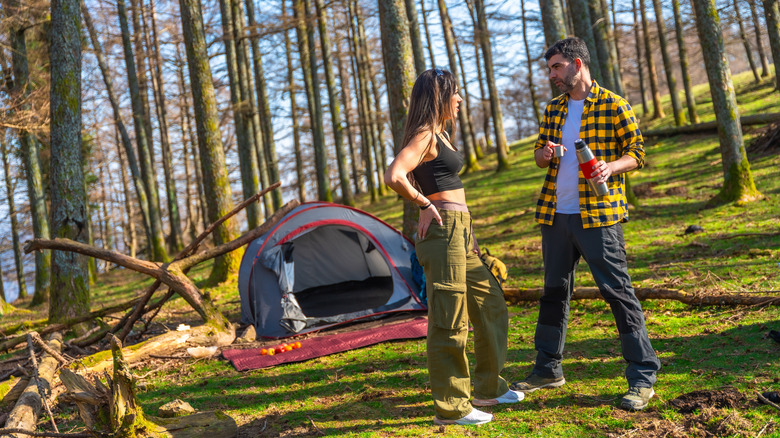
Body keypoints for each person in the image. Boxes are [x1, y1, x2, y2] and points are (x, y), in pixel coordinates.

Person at [510, 37, 661, 411]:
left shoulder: (613, 105)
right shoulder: (553, 109)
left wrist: (613, 166)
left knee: (617, 292)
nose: (552, 75)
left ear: (578, 64)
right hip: (555, 215)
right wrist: (543, 155)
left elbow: (638, 153)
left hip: (598, 217)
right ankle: (547, 370)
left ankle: (643, 376)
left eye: (557, 67)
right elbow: (540, 158)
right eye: (550, 69)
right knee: (553, 293)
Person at [385, 68, 523, 426]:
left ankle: (489, 387)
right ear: (440, 97)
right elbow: (394, 175)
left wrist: (471, 236)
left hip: (461, 232)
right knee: (450, 319)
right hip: (442, 232)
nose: (460, 99)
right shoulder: (425, 134)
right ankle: (452, 407)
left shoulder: (442, 135)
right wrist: (423, 204)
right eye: (455, 93)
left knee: (490, 302)